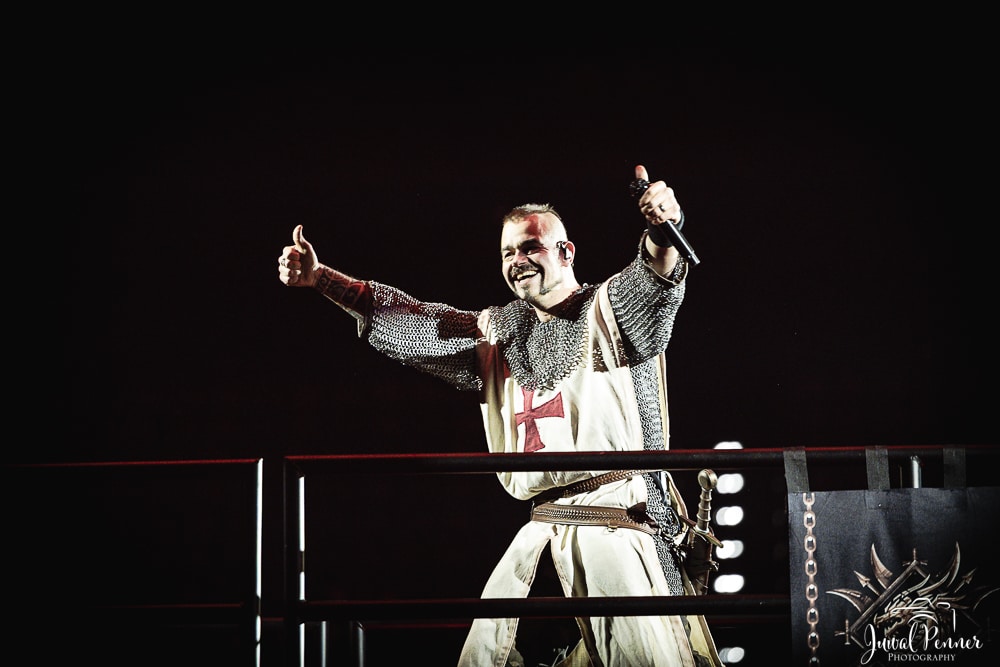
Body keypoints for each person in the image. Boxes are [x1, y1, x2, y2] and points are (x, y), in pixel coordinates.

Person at [277, 164, 723, 667]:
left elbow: (655, 279)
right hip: (540, 539)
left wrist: (664, 227)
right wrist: (322, 279)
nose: (518, 261)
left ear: (566, 252)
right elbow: (415, 324)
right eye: (508, 252)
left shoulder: (609, 310)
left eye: (531, 247)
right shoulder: (496, 333)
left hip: (620, 530)